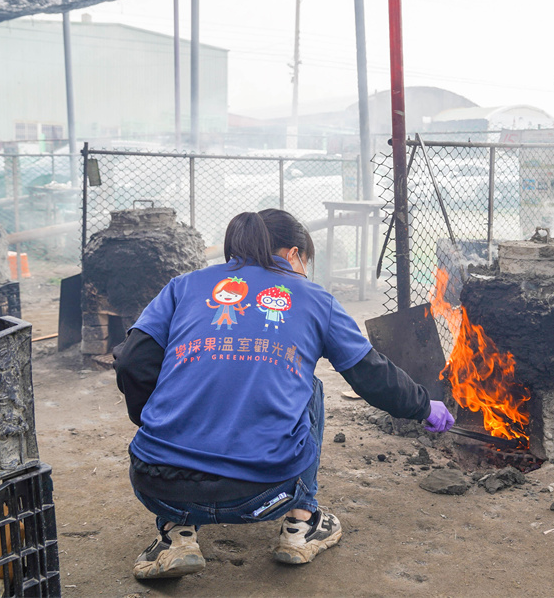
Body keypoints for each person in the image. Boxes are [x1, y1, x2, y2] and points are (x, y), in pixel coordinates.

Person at [114, 209, 455, 579]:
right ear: (294, 254)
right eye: (306, 261)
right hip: (265, 494)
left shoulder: (183, 286)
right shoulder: (313, 297)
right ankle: (301, 524)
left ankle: (176, 534)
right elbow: (369, 374)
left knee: (181, 378)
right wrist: (423, 406)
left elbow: (132, 362)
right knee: (309, 387)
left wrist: (163, 421)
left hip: (156, 484)